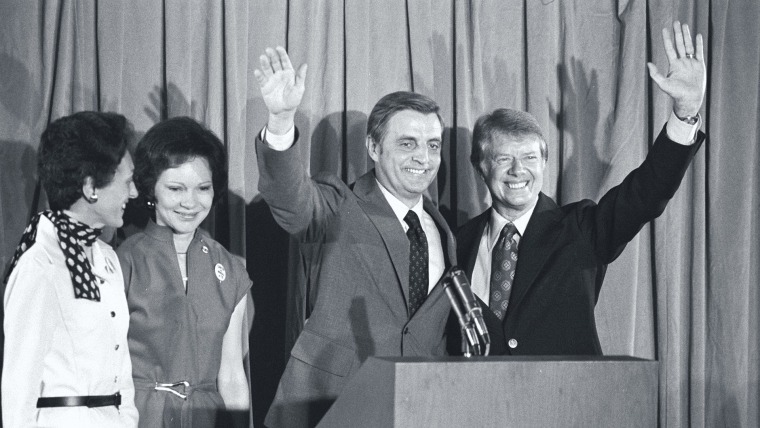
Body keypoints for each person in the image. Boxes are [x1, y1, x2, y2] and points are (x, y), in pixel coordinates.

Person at [455, 21, 707, 355]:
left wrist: (685, 113)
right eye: (504, 159)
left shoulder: (580, 229)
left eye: (530, 157)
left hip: (566, 401)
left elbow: (644, 195)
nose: (519, 171)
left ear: (544, 163)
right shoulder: (458, 242)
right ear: (480, 167)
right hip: (473, 402)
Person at [253, 47, 458, 427]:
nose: (423, 158)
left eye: (433, 145)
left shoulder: (442, 230)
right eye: (407, 143)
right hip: (331, 406)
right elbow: (291, 201)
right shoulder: (339, 204)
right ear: (374, 148)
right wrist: (281, 121)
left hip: (416, 408)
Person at [2, 111, 140, 427]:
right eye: (127, 181)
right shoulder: (41, 264)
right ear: (92, 188)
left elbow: (122, 372)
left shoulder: (107, 258)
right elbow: (18, 387)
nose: (133, 194)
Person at [115, 117, 251, 427]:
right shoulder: (124, 262)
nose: (190, 202)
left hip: (207, 418)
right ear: (151, 189)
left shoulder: (231, 269)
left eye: (203, 188)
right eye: (176, 188)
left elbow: (231, 374)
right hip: (137, 416)